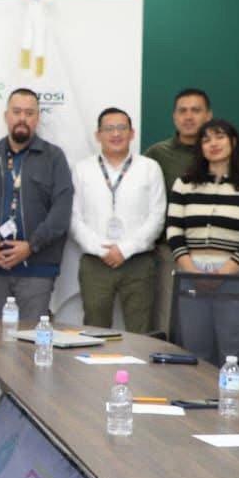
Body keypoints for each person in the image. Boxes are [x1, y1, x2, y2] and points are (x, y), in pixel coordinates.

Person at [143, 89, 239, 333]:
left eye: (196, 110)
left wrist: (230, 267)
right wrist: (188, 264)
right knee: (175, 323)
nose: (189, 116)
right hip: (176, 254)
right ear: (174, 116)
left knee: (233, 333)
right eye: (183, 111)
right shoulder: (157, 154)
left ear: (208, 115)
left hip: (232, 260)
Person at [165, 119, 239, 375]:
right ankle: (197, 398)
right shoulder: (184, 183)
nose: (213, 144)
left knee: (235, 350)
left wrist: (224, 272)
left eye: (220, 137)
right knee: (194, 349)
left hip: (233, 273)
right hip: (190, 272)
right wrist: (192, 271)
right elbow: (174, 230)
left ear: (233, 142)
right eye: (206, 139)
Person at [0, 88, 73, 328]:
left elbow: (61, 210)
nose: (22, 118)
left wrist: (31, 246)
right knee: (1, 338)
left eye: (29, 113)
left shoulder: (54, 157)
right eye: (16, 112)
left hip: (37, 266)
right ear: (6, 116)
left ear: (37, 118)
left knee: (32, 339)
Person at [71, 107, 164, 334]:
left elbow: (157, 215)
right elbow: (74, 218)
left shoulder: (150, 168)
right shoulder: (82, 169)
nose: (116, 134)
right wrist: (102, 250)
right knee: (94, 331)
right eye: (109, 128)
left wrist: (125, 249)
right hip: (96, 262)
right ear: (98, 135)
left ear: (132, 133)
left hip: (139, 262)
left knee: (141, 332)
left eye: (122, 128)